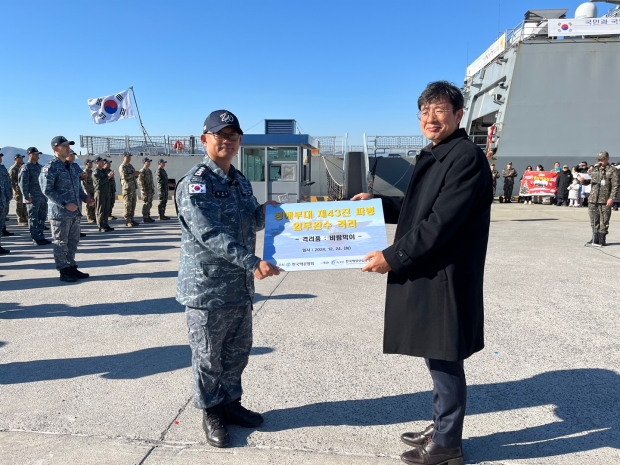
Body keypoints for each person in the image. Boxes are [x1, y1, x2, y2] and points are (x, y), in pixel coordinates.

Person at [352, 81, 492, 465]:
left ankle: (448, 446)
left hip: (445, 274)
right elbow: (417, 206)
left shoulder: (464, 157)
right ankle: (441, 425)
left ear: (459, 115)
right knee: (436, 355)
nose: (431, 118)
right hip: (433, 272)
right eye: (425, 112)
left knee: (445, 358)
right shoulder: (437, 153)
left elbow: (440, 223)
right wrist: (377, 204)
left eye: (441, 110)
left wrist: (393, 257)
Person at [176, 109, 281, 449]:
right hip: (207, 289)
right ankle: (211, 411)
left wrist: (269, 212)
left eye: (233, 135)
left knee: (237, 353)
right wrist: (252, 261)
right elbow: (209, 233)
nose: (227, 140)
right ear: (204, 139)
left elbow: (252, 221)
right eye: (220, 134)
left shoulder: (240, 181)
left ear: (239, 141)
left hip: (239, 288)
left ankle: (231, 404)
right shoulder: (195, 183)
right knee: (208, 356)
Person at [39, 136, 94, 282]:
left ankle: (71, 267)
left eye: (68, 145)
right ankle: (63, 270)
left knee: (73, 242)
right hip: (60, 213)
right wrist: (64, 204)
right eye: (64, 146)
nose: (68, 148)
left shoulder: (70, 167)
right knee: (60, 242)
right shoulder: (50, 167)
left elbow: (77, 188)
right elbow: (47, 190)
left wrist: (85, 198)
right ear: (55, 149)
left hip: (74, 212)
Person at [585, 151, 619, 246]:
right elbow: (589, 181)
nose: (600, 161)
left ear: (607, 159)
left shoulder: (612, 170)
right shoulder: (595, 169)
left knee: (604, 219)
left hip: (605, 199)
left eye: (602, 159)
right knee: (593, 218)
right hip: (593, 198)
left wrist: (611, 198)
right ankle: (594, 238)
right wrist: (583, 180)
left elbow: (615, 186)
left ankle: (602, 238)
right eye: (599, 160)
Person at [19, 147, 50, 245]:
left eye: (38, 154)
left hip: (42, 197)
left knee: (42, 218)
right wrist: (26, 196)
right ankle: (35, 238)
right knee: (33, 218)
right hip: (32, 197)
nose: (37, 156)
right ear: (29, 155)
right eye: (35, 154)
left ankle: (41, 236)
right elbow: (23, 184)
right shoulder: (26, 167)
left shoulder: (40, 167)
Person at [92, 157, 114, 232]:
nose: (103, 163)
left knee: (106, 209)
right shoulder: (95, 172)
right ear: (97, 163)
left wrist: (110, 176)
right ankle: (101, 225)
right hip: (100, 192)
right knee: (100, 209)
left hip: (106, 192)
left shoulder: (104, 171)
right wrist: (108, 177)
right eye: (101, 162)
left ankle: (106, 224)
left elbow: (108, 180)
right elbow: (99, 182)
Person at [120, 152, 140, 227]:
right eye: (127, 157)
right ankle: (127, 221)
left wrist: (136, 175)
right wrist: (134, 174)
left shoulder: (130, 166)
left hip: (133, 188)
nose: (129, 158)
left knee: (133, 204)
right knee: (127, 204)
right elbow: (125, 176)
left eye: (129, 157)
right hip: (127, 188)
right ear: (124, 157)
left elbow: (133, 175)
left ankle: (132, 219)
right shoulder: (122, 167)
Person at [9, 154, 28, 226]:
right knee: (19, 204)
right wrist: (14, 189)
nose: (21, 159)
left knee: (24, 204)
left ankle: (25, 218)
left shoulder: (23, 167)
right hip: (17, 189)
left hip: (23, 188)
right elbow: (11, 180)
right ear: (16, 159)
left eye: (22, 158)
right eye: (19, 158)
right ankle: (20, 219)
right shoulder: (13, 169)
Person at [0, 153, 14, 237]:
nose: (0, 158)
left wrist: (9, 194)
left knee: (2, 219)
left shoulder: (3, 168)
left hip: (3, 199)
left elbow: (8, 182)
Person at [138, 157, 155, 223]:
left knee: (149, 203)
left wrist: (152, 189)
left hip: (150, 190)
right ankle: (145, 217)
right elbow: (140, 181)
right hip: (145, 190)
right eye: (148, 162)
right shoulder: (142, 171)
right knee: (146, 203)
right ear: (144, 163)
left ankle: (148, 215)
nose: (149, 163)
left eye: (149, 162)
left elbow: (151, 181)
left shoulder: (149, 171)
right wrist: (143, 189)